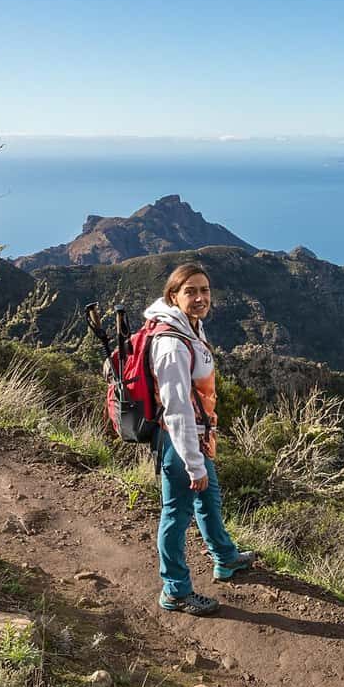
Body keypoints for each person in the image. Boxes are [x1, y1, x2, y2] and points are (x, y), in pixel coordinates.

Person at [145, 262, 255, 616]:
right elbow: (176, 408)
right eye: (190, 291)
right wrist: (193, 464)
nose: (199, 297)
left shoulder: (192, 329)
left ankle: (225, 558)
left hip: (197, 438)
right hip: (180, 441)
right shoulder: (171, 344)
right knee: (176, 513)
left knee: (210, 498)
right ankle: (175, 591)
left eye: (204, 290)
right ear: (173, 296)